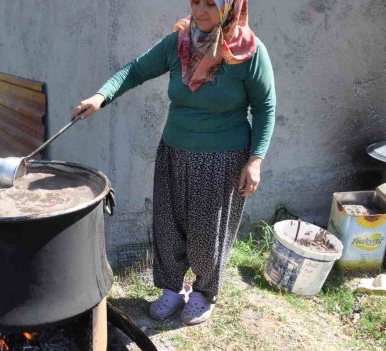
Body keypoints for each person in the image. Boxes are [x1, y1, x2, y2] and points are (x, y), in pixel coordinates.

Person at [71, 0, 275, 325]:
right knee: (167, 224)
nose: (200, 12)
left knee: (206, 234)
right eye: (196, 2)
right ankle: (171, 287)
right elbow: (135, 70)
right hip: (173, 150)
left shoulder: (248, 52)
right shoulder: (179, 43)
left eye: (210, 4)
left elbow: (265, 106)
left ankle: (203, 293)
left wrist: (256, 160)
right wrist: (101, 96)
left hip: (222, 158)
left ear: (230, 7)